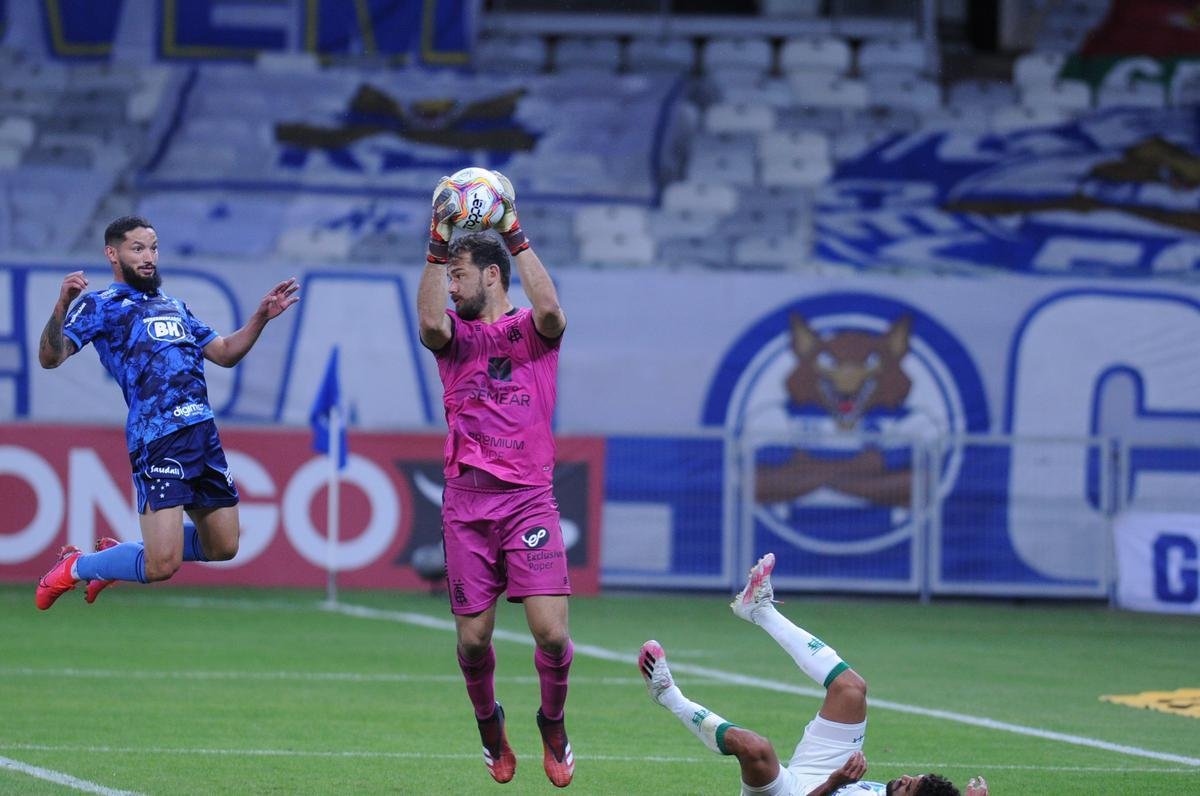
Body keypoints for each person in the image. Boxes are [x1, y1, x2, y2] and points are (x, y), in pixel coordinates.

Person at [35, 216, 299, 610]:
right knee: (161, 564)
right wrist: (62, 305)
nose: (149, 257)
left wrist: (260, 316)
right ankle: (77, 566)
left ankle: (116, 557)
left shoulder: (174, 306)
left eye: (154, 248)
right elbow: (50, 357)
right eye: (137, 249)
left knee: (224, 545)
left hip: (203, 434)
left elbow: (225, 352)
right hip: (158, 437)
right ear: (112, 254)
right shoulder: (99, 305)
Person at [416, 172, 574, 787]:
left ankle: (552, 723)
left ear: (491, 275)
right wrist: (438, 245)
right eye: (447, 275)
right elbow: (429, 323)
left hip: (529, 500)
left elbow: (553, 311)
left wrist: (514, 232)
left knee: (551, 635)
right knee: (475, 641)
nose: (451, 287)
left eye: (458, 275)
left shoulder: (532, 333)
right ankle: (490, 724)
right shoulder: (454, 340)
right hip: (467, 504)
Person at [638, 553, 989, 796]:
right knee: (852, 689)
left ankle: (668, 695)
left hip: (803, 792)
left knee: (754, 747)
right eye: (914, 778)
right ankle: (759, 609)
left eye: (908, 787)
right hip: (828, 774)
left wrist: (835, 783)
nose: (905, 777)